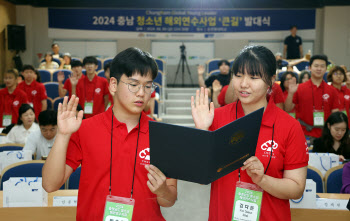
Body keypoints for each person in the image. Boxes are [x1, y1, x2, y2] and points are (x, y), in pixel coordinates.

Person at [42, 48, 177, 221]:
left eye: (148, 86)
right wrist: (62, 135)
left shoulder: (163, 136)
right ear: (113, 85)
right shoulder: (85, 129)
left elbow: (169, 200)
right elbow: (49, 184)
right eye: (134, 84)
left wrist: (162, 190)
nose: (142, 93)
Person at [191, 45, 308, 221]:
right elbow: (200, 178)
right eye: (238, 75)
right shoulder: (216, 117)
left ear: (271, 80)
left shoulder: (289, 126)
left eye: (253, 77)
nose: (243, 84)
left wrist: (262, 180)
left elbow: (296, 188)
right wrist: (202, 132)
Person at [285, 55, 340, 142]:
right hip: (303, 133)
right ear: (310, 68)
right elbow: (287, 109)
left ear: (326, 69)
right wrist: (291, 93)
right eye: (316, 66)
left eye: (322, 66)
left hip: (325, 134)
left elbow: (335, 114)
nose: (319, 69)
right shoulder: (300, 88)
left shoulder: (332, 90)